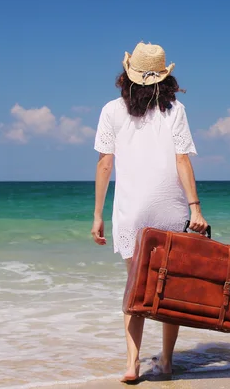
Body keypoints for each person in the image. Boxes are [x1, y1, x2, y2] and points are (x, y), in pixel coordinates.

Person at [90, 41, 209, 382]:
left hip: (130, 210)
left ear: (127, 77)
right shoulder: (176, 110)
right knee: (169, 286)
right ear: (163, 79)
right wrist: (195, 208)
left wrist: (98, 214)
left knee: (135, 286)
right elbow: (182, 159)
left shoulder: (111, 110)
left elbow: (104, 165)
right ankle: (168, 362)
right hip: (170, 208)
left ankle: (132, 364)